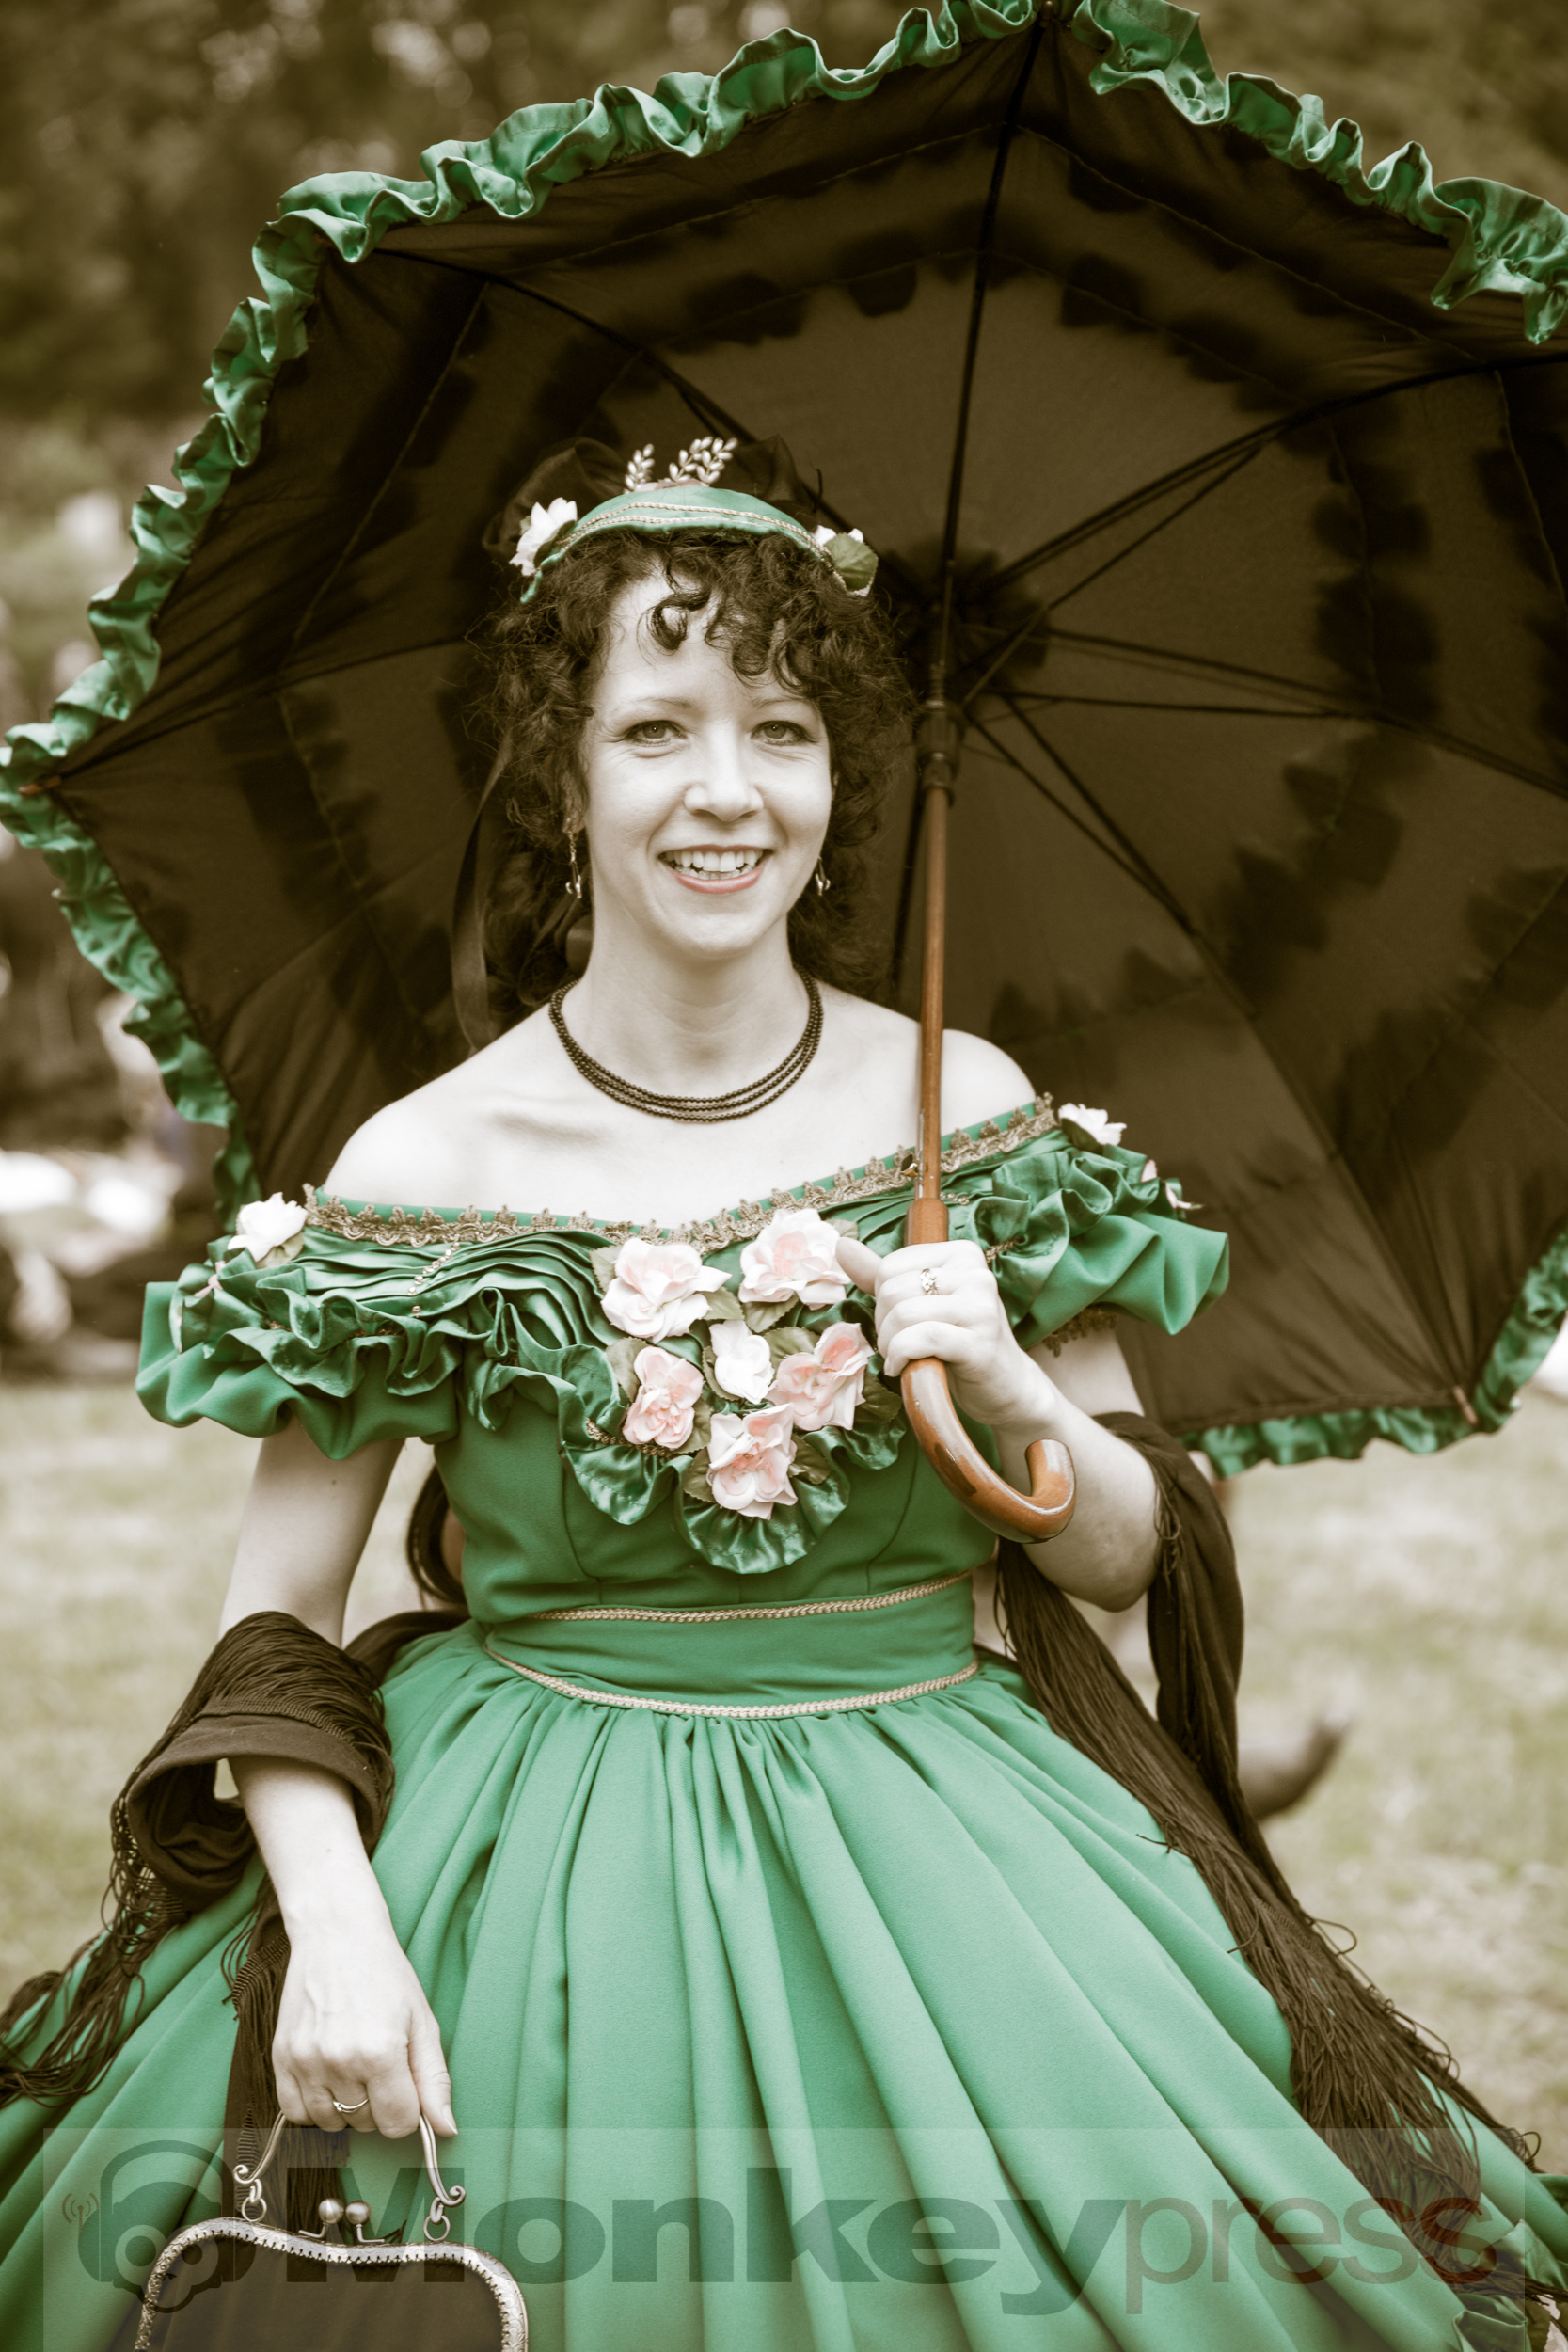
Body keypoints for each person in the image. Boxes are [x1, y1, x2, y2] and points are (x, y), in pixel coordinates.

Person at [1, 438, 1564, 2352]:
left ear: (845, 776)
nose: (727, 788)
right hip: (527, 1862)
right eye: (656, 727)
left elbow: (1119, 1554)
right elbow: (273, 1619)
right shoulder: (429, 1162)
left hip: (960, 1848)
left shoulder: (969, 1111)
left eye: (785, 726)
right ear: (564, 781)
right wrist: (334, 1928)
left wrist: (1003, 1380)